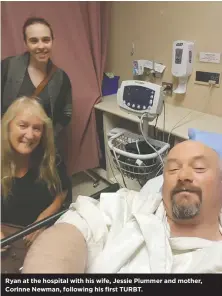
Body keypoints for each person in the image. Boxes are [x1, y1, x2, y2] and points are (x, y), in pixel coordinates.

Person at [22, 140, 222, 273]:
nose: (183, 175)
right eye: (173, 168)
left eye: (199, 168)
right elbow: (74, 228)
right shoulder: (130, 205)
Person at [1, 96, 72, 245]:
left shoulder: (51, 158)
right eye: (23, 125)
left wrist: (44, 219)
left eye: (36, 128)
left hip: (45, 237)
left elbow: (63, 191)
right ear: (8, 126)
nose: (30, 135)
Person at [1, 17, 72, 139]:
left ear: (52, 41)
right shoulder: (7, 67)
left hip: (40, 148)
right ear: (26, 43)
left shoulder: (61, 77)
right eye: (34, 41)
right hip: (7, 144)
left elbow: (67, 113)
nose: (41, 46)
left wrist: (49, 136)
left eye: (46, 40)